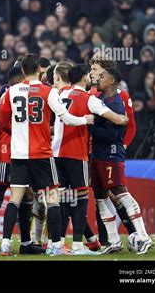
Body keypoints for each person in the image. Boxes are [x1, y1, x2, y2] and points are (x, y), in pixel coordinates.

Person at [0, 54, 93, 256]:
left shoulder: (10, 91)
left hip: (18, 154)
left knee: (14, 200)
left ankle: (5, 244)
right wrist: (85, 119)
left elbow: (2, 121)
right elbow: (66, 118)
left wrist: (18, 133)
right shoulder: (48, 92)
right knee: (52, 200)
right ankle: (55, 246)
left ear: (22, 70)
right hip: (42, 154)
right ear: (40, 70)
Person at [52, 64, 128, 255]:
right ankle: (78, 245)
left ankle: (58, 245)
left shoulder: (60, 94)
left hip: (56, 155)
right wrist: (124, 119)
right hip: (77, 156)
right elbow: (115, 119)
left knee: (61, 200)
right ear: (84, 78)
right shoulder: (90, 99)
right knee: (81, 200)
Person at [0, 65, 44, 255]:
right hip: (4, 152)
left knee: (26, 195)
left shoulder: (8, 93)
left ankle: (26, 243)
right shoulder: (11, 93)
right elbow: (4, 123)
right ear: (20, 80)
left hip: (15, 151)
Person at [90, 68, 153, 255]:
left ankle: (143, 236)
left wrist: (90, 126)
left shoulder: (116, 104)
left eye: (102, 76)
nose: (98, 78)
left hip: (110, 155)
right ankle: (114, 241)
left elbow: (112, 135)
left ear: (112, 81)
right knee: (100, 197)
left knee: (121, 192)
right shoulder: (102, 101)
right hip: (97, 155)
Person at [89, 54, 138, 245]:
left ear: (105, 72)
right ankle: (108, 239)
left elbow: (131, 125)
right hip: (92, 152)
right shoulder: (92, 93)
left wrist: (122, 146)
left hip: (109, 151)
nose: (91, 72)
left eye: (94, 69)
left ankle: (134, 232)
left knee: (114, 192)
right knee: (100, 194)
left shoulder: (121, 96)